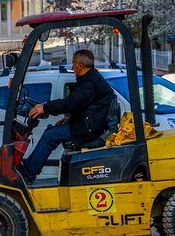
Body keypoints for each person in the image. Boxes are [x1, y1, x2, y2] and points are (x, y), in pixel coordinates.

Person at [19, 50, 115, 185]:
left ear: (80, 65)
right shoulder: (90, 79)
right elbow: (85, 106)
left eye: (74, 63)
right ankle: (27, 169)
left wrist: (45, 107)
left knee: (49, 137)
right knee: (50, 131)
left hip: (90, 128)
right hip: (88, 124)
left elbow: (70, 103)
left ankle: (28, 176)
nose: (72, 67)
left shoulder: (89, 83)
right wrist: (70, 119)